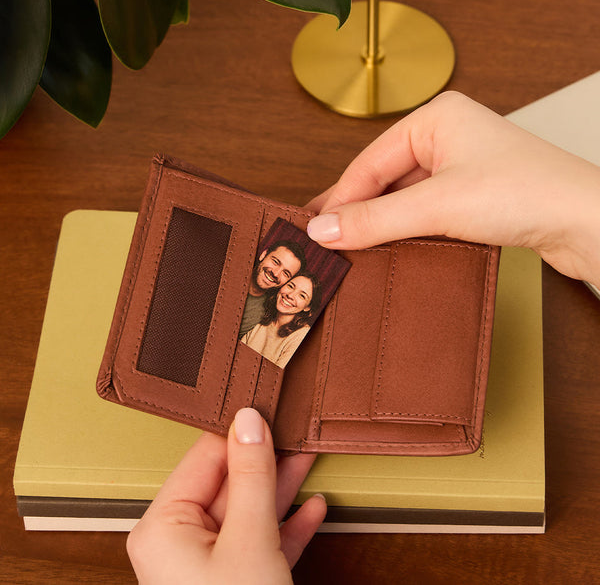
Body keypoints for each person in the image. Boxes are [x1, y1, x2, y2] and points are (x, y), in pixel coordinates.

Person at [127, 92, 600, 583]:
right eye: (284, 280)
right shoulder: (257, 313)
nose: (285, 288)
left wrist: (576, 219)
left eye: (296, 287)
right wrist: (579, 213)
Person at [241, 273, 322, 368]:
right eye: (290, 286)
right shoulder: (261, 315)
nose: (290, 295)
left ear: (307, 307)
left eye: (302, 296)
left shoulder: (302, 336)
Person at [238, 240, 306, 339]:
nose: (276, 273)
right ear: (263, 255)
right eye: (275, 262)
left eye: (286, 273)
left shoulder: (265, 314)